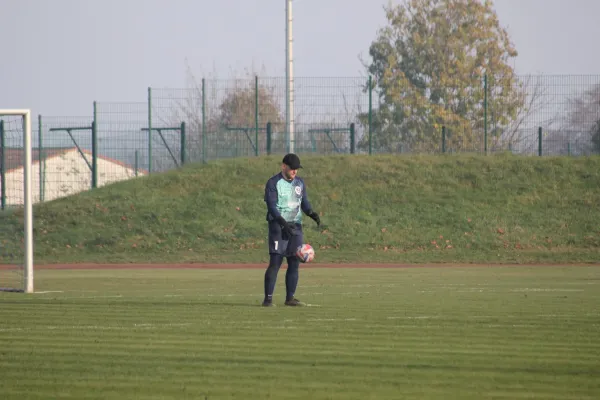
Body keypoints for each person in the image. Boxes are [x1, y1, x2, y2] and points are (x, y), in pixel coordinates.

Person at [262, 153, 321, 307]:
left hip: (295, 226)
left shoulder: (299, 183)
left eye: (296, 169)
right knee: (276, 262)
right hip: (278, 226)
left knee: (294, 262)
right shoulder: (273, 183)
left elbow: (304, 202)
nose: (295, 171)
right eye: (292, 168)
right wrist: (282, 223)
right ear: (283, 166)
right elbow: (272, 206)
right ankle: (268, 299)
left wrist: (311, 213)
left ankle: (290, 298)